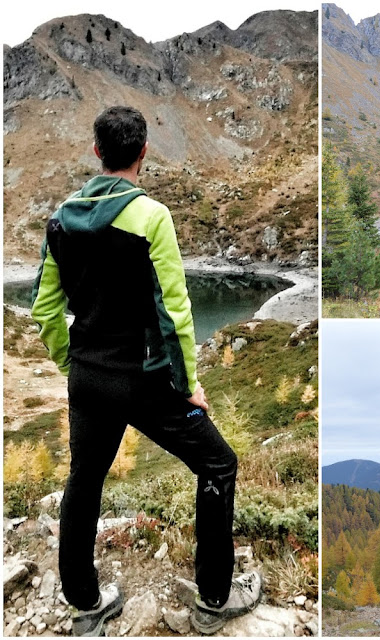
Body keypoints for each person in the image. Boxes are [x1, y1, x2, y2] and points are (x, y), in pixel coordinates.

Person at [31, 105, 261, 636]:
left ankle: (84, 602)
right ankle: (214, 599)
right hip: (143, 381)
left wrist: (76, 365)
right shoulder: (152, 217)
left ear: (97, 152)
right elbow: (175, 313)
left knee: (83, 480)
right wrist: (189, 386)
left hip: (89, 378)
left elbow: (45, 311)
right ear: (143, 152)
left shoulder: (60, 218)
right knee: (219, 463)